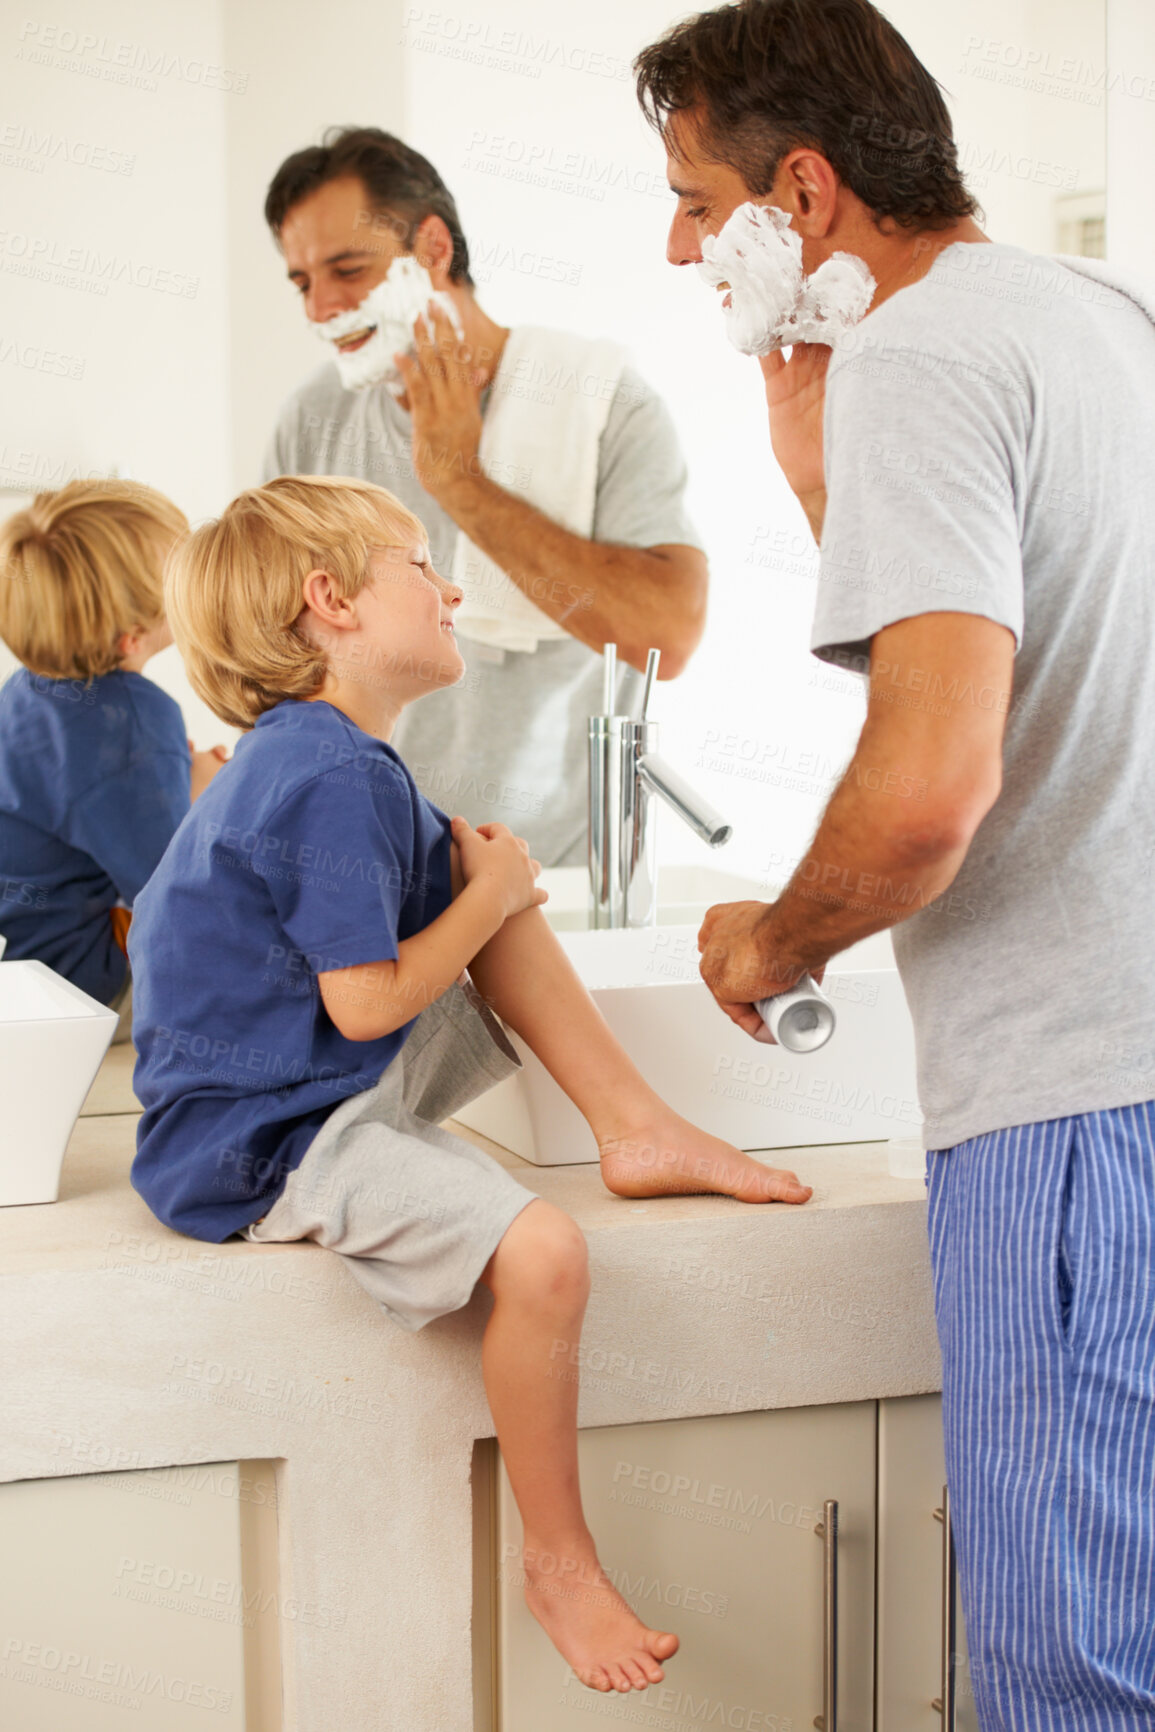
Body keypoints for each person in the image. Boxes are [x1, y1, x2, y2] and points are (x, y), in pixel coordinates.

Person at [635, 2, 1155, 1727]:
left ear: (807, 184)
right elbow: (1066, 666)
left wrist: (774, 945)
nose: (681, 241)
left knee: (1070, 1678)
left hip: (1074, 1107)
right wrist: (818, 486)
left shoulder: (924, 357)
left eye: (702, 200)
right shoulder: (1102, 316)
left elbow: (932, 790)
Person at [127, 473, 811, 1693]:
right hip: (265, 1139)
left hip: (305, 1082)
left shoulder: (334, 757)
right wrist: (493, 894)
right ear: (329, 600)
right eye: (419, 567)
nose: (449, 589)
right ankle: (560, 1558)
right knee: (545, 1254)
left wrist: (485, 888)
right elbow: (369, 1003)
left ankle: (636, 1125)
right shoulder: (328, 775)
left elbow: (383, 973)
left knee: (474, 861)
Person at [261, 127, 710, 865]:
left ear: (433, 248)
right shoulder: (313, 421)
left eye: (347, 268)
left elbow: (665, 632)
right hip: (369, 867)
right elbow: (268, 652)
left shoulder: (601, 404)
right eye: (303, 282)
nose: (321, 309)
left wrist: (458, 480)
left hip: (555, 877)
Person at [0, 480, 227, 1036]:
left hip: (19, 960)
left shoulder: (28, 687)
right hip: (70, 985)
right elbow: (174, 897)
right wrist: (206, 800)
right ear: (131, 637)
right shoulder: (134, 723)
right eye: (180, 572)